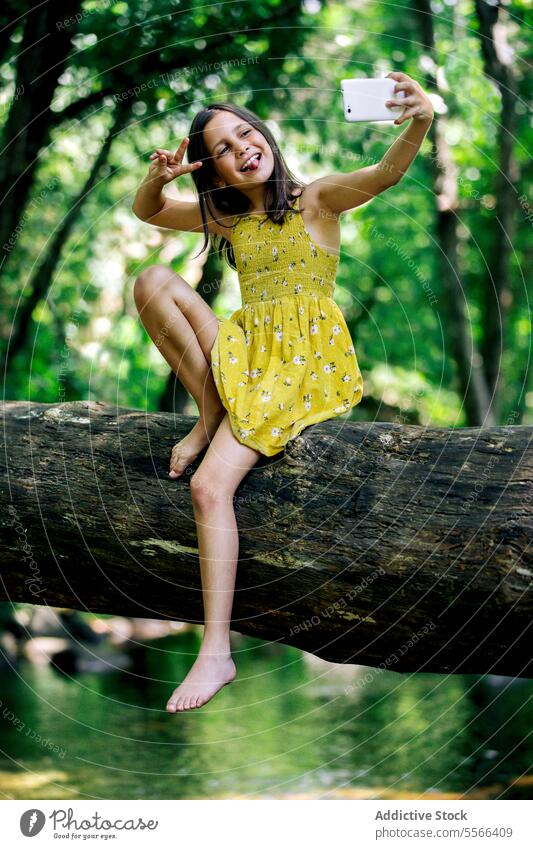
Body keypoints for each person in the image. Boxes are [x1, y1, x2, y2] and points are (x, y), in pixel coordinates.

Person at [131, 70, 434, 712]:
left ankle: (216, 651)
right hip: (244, 354)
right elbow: (149, 212)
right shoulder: (225, 217)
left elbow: (386, 172)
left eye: (246, 133)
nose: (242, 147)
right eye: (222, 148)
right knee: (153, 279)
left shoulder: (318, 200)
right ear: (213, 169)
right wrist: (159, 177)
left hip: (297, 369)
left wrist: (421, 121)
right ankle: (211, 415)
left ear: (264, 136)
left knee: (209, 486)